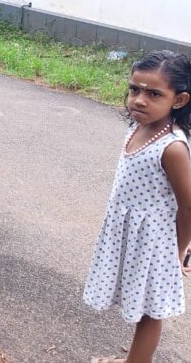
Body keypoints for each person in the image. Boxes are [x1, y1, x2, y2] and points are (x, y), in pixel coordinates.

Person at [84, 51, 191, 363]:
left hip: (156, 242)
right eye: (135, 90)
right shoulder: (136, 127)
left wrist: (179, 249)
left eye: (154, 93)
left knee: (150, 312)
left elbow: (188, 207)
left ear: (180, 100)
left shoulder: (172, 148)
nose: (139, 100)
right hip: (129, 234)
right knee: (138, 302)